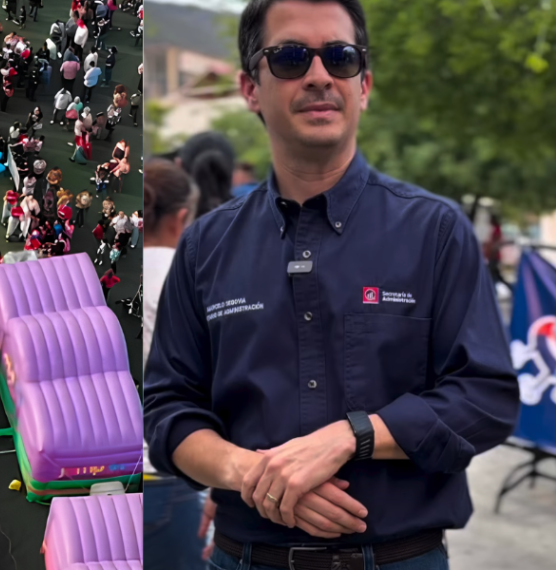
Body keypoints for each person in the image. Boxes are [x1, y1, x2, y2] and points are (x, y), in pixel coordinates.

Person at [144, 3, 519, 570]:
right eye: (291, 58)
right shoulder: (204, 248)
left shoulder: (436, 231)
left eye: (340, 58)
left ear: (363, 85)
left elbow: (486, 397)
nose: (319, 75)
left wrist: (351, 436)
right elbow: (168, 411)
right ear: (250, 88)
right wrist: (254, 474)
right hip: (246, 557)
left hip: (398, 558)